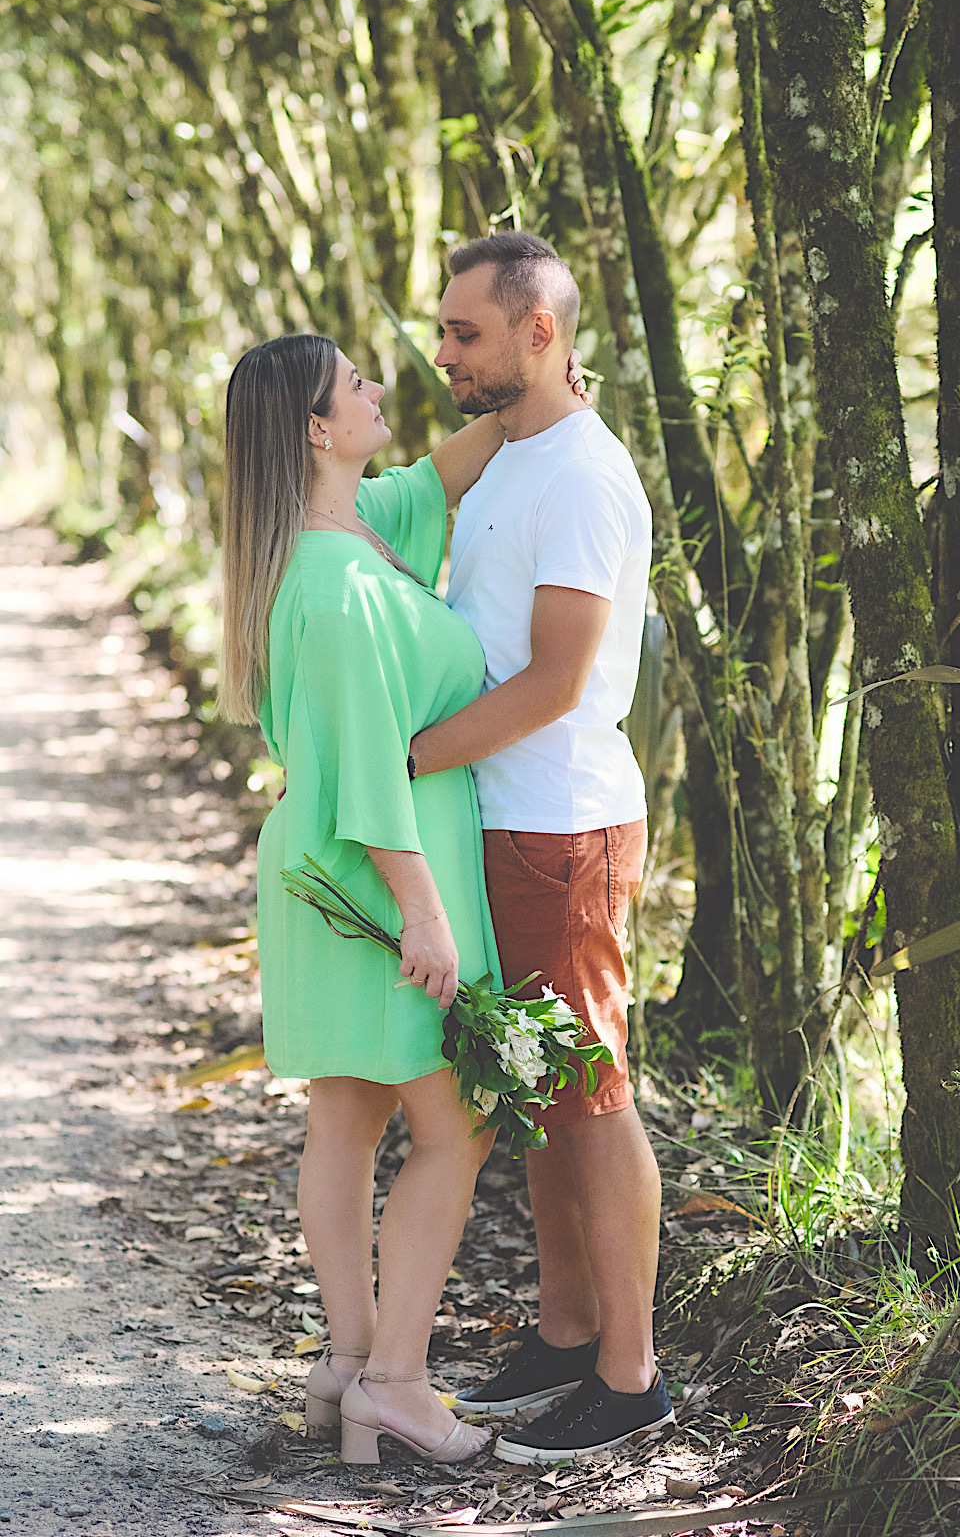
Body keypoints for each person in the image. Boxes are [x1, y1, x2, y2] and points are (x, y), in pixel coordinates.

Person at [220, 333, 582, 1466]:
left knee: (348, 1114)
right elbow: (375, 769)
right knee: (456, 1120)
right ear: (320, 431)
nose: (384, 392)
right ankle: (399, 1381)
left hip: (336, 875)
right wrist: (423, 913)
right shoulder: (333, 584)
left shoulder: (360, 529)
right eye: (359, 385)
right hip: (374, 882)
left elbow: (443, 470)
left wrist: (548, 381)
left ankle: (347, 1365)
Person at [408, 230, 673, 1464]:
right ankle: (566, 1335)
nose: (444, 351)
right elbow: (396, 489)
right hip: (504, 818)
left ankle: (630, 1379)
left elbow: (561, 681)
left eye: (465, 331)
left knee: (591, 1091)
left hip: (562, 821)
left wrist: (406, 759)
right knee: (537, 1092)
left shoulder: (579, 475)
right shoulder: (516, 448)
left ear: (540, 331)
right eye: (446, 329)